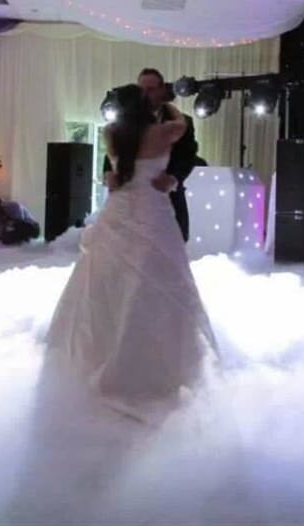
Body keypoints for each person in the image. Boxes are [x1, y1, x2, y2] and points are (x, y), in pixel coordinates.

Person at [47, 84, 216, 416]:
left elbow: (115, 170)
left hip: (120, 209)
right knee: (159, 278)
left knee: (106, 278)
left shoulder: (111, 133)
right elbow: (181, 124)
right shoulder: (164, 131)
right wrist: (166, 104)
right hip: (153, 212)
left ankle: (102, 347)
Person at [103, 68, 199, 241]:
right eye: (141, 90)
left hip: (164, 198)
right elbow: (111, 157)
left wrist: (174, 178)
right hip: (125, 202)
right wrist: (108, 174)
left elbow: (188, 155)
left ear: (162, 90)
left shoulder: (179, 122)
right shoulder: (119, 125)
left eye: (151, 89)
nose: (145, 95)